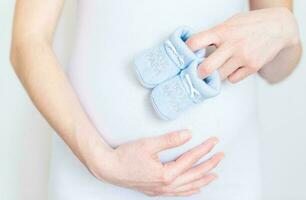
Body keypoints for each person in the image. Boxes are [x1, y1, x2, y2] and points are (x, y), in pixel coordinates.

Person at [10, 0, 302, 199]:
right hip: (92, 177)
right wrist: (101, 161)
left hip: (222, 177)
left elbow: (273, 71)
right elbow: (28, 41)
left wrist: (287, 32)